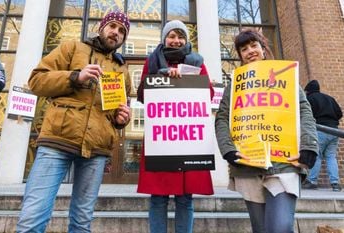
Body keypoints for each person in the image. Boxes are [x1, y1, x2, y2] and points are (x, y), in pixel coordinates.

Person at [16, 11, 132, 232]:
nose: (115, 33)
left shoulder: (122, 70)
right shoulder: (72, 48)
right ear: (101, 27)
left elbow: (119, 111)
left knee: (82, 222)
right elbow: (37, 81)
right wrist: (75, 77)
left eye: (122, 31)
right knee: (33, 218)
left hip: (96, 150)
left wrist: (121, 120)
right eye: (113, 27)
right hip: (56, 141)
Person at [215, 28, 318, 233]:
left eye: (254, 45)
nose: (250, 51)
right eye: (244, 49)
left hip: (284, 165)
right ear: (240, 56)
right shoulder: (234, 85)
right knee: (260, 229)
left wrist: (309, 146)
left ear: (263, 49)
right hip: (248, 165)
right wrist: (228, 150)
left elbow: (304, 111)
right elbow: (222, 118)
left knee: (279, 228)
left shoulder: (286, 77)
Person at [136, 20, 214, 233]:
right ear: (164, 38)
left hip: (186, 142)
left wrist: (186, 78)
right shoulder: (151, 62)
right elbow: (142, 95)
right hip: (161, 141)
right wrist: (159, 78)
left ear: (186, 40)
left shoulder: (197, 62)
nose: (176, 40)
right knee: (157, 199)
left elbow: (208, 95)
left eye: (180, 36)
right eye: (172, 36)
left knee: (185, 199)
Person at [302, 80, 343, 191]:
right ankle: (335, 183)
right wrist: (332, 121)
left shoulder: (310, 99)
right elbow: (339, 113)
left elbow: (307, 114)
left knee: (317, 155)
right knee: (331, 157)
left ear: (308, 90)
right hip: (334, 131)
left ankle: (312, 181)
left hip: (320, 130)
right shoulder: (330, 98)